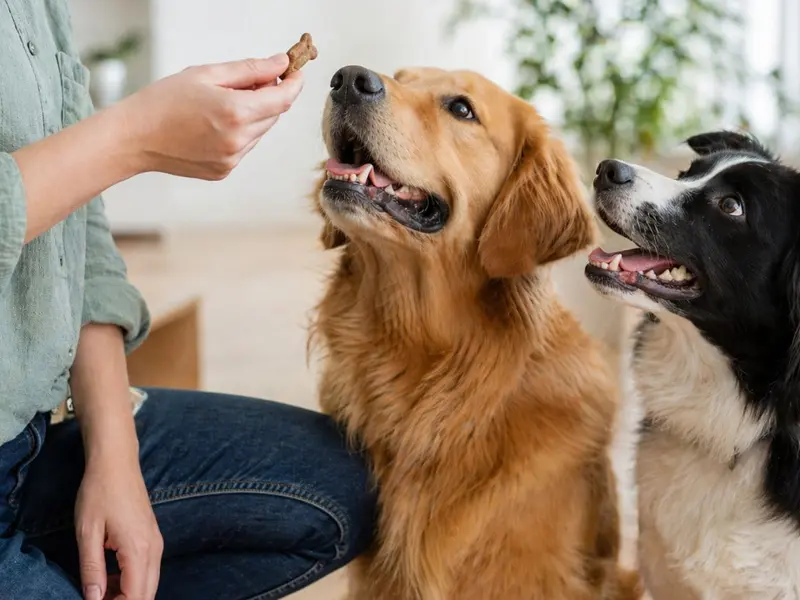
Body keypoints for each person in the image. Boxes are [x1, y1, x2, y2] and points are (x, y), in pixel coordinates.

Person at [0, 2, 376, 599]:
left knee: (348, 490)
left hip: (33, 442)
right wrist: (134, 138)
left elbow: (79, 228)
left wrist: (115, 453)